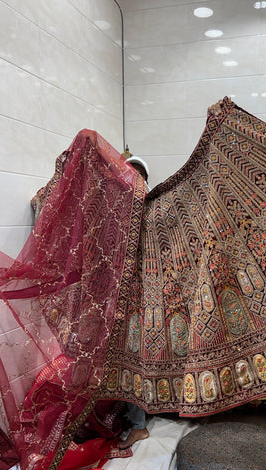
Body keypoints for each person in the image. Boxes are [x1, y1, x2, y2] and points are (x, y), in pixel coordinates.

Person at [117, 152, 151, 450]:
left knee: (132, 361)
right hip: (125, 298)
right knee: (128, 361)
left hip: (144, 298)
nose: (134, 181)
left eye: (139, 176)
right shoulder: (120, 210)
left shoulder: (150, 209)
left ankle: (139, 425)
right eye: (130, 175)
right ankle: (136, 420)